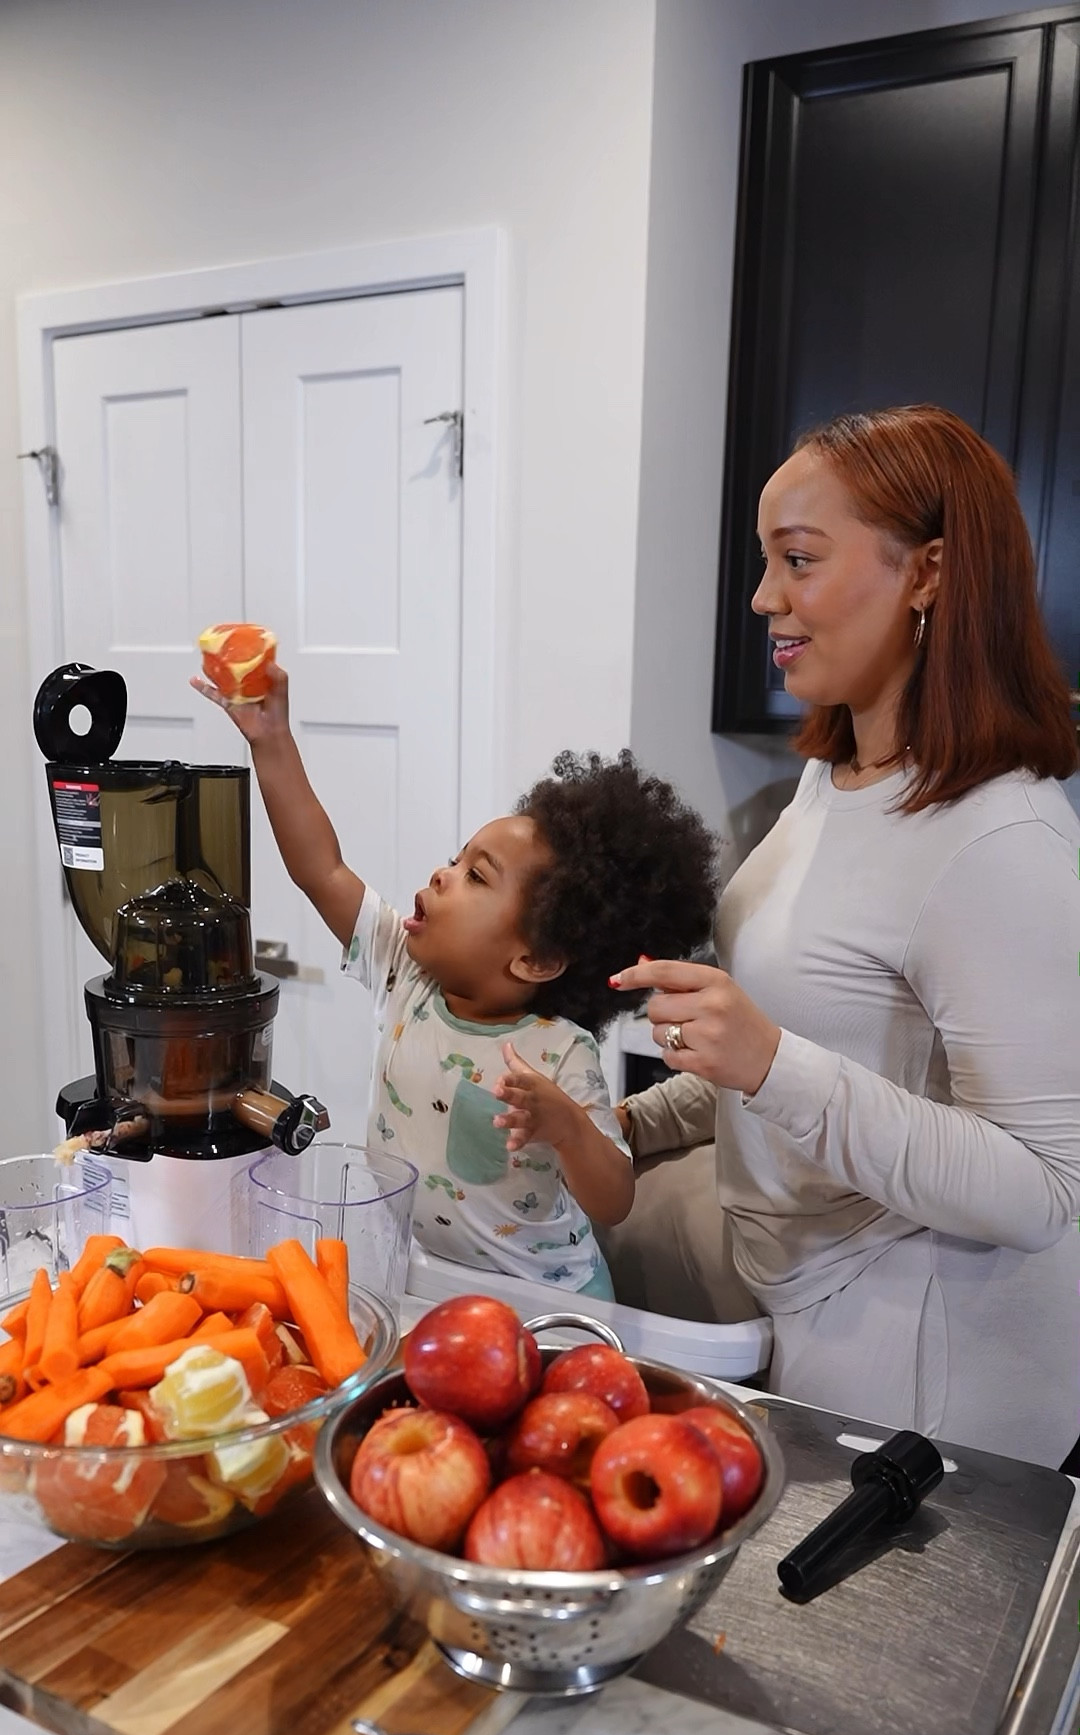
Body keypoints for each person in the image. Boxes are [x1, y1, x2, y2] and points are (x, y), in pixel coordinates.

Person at [613, 404, 1080, 1468]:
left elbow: (1048, 1190)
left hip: (935, 1366)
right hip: (817, 1303)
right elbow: (819, 1045)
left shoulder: (998, 841)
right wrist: (628, 1126)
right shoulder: (838, 775)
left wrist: (769, 1062)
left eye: (799, 560)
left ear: (928, 574)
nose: (763, 597)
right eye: (767, 560)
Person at [194, 664, 717, 1298]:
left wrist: (568, 1127)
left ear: (534, 960)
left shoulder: (559, 1052)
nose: (443, 875)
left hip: (546, 1302)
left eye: (478, 876)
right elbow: (320, 868)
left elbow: (614, 1200)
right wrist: (269, 741)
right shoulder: (404, 974)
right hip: (427, 1283)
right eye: (454, 859)